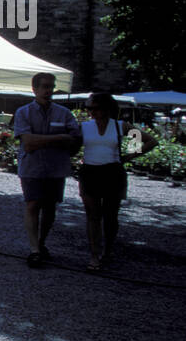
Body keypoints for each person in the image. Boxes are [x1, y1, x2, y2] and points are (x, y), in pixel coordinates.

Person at [13, 72, 79, 267]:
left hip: (55, 168)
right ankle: (34, 249)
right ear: (34, 89)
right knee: (32, 204)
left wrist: (40, 140)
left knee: (50, 207)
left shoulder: (64, 113)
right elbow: (28, 143)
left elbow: (75, 140)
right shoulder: (23, 112)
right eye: (44, 87)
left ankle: (41, 243)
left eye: (51, 87)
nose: (48, 91)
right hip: (32, 167)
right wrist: (60, 138)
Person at [78, 91, 127, 272]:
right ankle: (94, 255)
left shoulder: (120, 126)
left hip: (112, 172)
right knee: (92, 215)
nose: (91, 112)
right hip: (90, 171)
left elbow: (148, 140)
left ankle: (108, 250)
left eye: (95, 108)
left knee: (111, 216)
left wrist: (130, 154)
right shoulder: (84, 127)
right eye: (89, 108)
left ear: (106, 108)